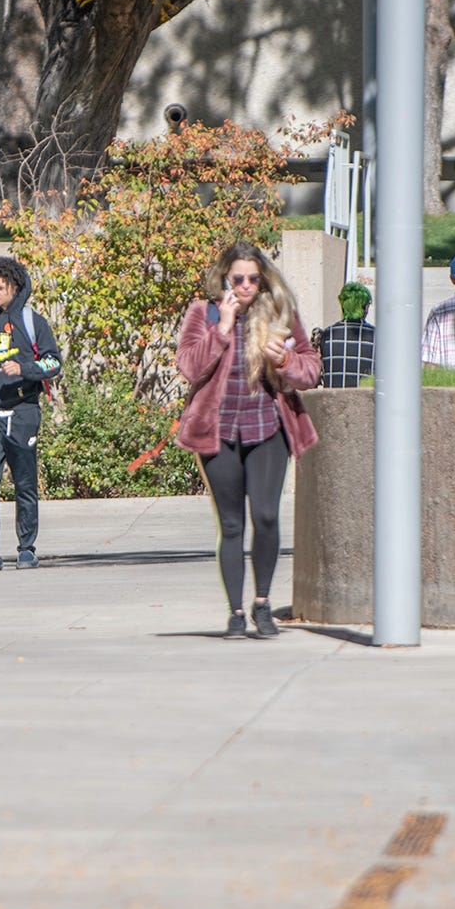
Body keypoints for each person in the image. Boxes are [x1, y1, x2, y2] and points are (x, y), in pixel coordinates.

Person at [176, 241, 321, 639]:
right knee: (233, 524)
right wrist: (221, 330)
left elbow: (310, 369)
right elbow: (189, 365)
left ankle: (262, 603)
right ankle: (236, 612)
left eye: (253, 279)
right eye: (238, 278)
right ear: (224, 277)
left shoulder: (280, 314)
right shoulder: (203, 313)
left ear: (263, 279)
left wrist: (286, 362)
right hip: (218, 433)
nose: (245, 285)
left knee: (267, 515)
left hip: (267, 429)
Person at [0, 254, 63, 570]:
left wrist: (24, 368)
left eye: (0, 287)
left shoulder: (34, 322)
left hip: (23, 412)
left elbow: (54, 363)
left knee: (24, 482)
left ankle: (27, 549)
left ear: (14, 287)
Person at [313, 282, 376, 388]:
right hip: (365, 402)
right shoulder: (377, 336)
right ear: (365, 308)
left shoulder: (326, 335)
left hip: (331, 401)